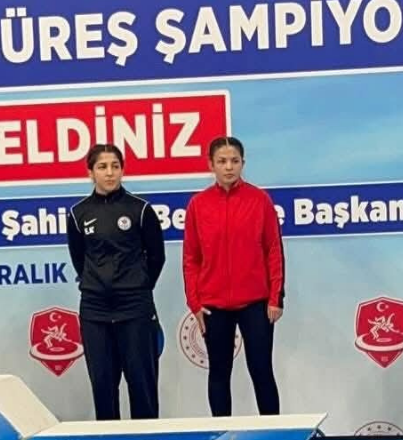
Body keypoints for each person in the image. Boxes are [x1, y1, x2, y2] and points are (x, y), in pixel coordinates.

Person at [182, 136, 285, 417]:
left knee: (261, 369)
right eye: (222, 161)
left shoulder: (260, 200)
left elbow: (273, 250)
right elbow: (191, 258)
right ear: (211, 165)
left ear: (243, 163)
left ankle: (271, 434)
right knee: (218, 372)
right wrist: (194, 303)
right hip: (213, 306)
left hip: (256, 303)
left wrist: (275, 297)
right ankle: (223, 435)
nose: (229, 167)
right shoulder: (198, 204)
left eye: (234, 161)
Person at [66, 143, 166, 421]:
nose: (109, 173)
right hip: (95, 310)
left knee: (142, 386)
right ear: (91, 173)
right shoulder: (78, 213)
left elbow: (157, 257)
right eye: (102, 167)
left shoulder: (140, 210)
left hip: (135, 308)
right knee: (103, 387)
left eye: (115, 166)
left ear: (122, 170)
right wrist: (100, 285)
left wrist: (136, 286)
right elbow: (79, 259)